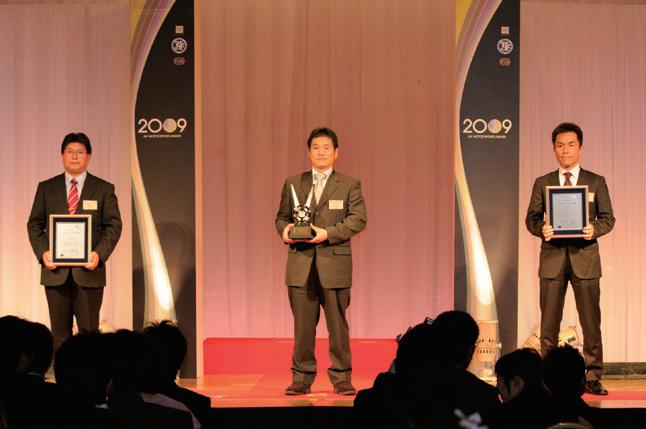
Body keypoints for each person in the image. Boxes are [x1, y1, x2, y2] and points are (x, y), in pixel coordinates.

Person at [275, 127, 367, 396]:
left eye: (326, 147)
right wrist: (286, 230)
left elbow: (358, 219)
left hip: (334, 264)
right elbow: (281, 217)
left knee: (338, 326)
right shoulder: (293, 182)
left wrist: (327, 233)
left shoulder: (349, 184)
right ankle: (301, 378)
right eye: (316, 147)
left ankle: (342, 377)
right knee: (303, 328)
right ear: (309, 152)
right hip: (300, 265)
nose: (321, 152)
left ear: (336, 152)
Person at [525, 122, 615, 395]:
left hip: (585, 260)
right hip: (552, 260)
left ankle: (593, 376)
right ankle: (548, 377)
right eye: (560, 145)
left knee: (591, 323)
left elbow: (608, 218)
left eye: (571, 145)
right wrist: (542, 229)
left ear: (580, 148)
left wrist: (593, 229)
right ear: (554, 149)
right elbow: (531, 219)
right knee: (549, 324)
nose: (565, 150)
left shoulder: (595, 181)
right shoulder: (543, 182)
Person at [27, 132, 123, 351]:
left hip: (89, 271)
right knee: (59, 333)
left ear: (89, 156)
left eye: (80, 152)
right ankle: (63, 373)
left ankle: (89, 373)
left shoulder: (104, 188)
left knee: (89, 334)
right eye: (69, 152)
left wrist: (99, 254)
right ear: (62, 155)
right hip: (55, 272)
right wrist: (44, 252)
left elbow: (114, 225)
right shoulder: (46, 188)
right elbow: (34, 224)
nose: (74, 156)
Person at [495, 348, 559, 429]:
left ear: (516, 382)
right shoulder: (558, 409)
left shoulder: (506, 417)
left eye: (499, 380)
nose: (497, 387)